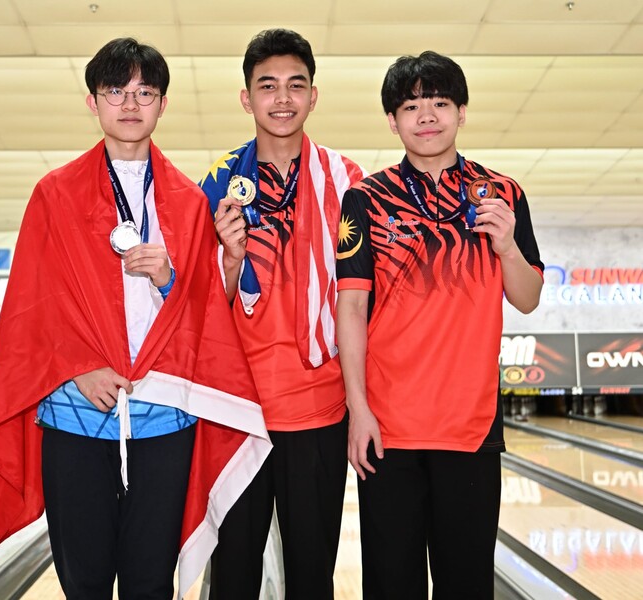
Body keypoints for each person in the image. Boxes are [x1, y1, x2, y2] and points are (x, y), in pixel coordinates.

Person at [0, 38, 271, 599]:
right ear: (93, 102)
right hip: (76, 414)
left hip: (162, 416)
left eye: (144, 93)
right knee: (82, 580)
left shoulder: (186, 199)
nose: (130, 105)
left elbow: (209, 314)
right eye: (116, 92)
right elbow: (34, 305)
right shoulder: (54, 195)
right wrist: (79, 367)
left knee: (149, 582)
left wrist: (172, 278)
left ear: (162, 104)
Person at [335, 50, 544, 599]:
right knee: (391, 584)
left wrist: (505, 246)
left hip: (471, 427)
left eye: (439, 102)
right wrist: (357, 410)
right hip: (388, 427)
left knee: (466, 583)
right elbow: (351, 308)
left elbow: (527, 298)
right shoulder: (364, 199)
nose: (426, 115)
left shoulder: (504, 194)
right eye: (411, 105)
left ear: (461, 111)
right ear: (392, 120)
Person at [199, 28, 365, 600]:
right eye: (267, 86)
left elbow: (360, 298)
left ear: (313, 96)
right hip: (237, 409)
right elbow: (199, 310)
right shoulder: (216, 186)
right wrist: (229, 258)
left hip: (318, 408)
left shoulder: (348, 183)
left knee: (312, 574)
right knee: (234, 574)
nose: (282, 98)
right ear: (247, 98)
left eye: (296, 85)